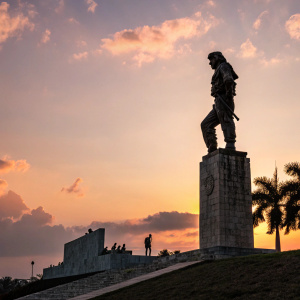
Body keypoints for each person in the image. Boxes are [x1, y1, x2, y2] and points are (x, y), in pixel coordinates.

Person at [201, 51, 238, 153]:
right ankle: (212, 146)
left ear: (217, 58)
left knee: (226, 120)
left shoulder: (223, 66)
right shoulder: (218, 70)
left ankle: (230, 144)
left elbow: (229, 80)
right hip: (218, 102)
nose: (210, 63)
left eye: (211, 59)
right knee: (206, 124)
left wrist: (228, 96)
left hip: (224, 99)